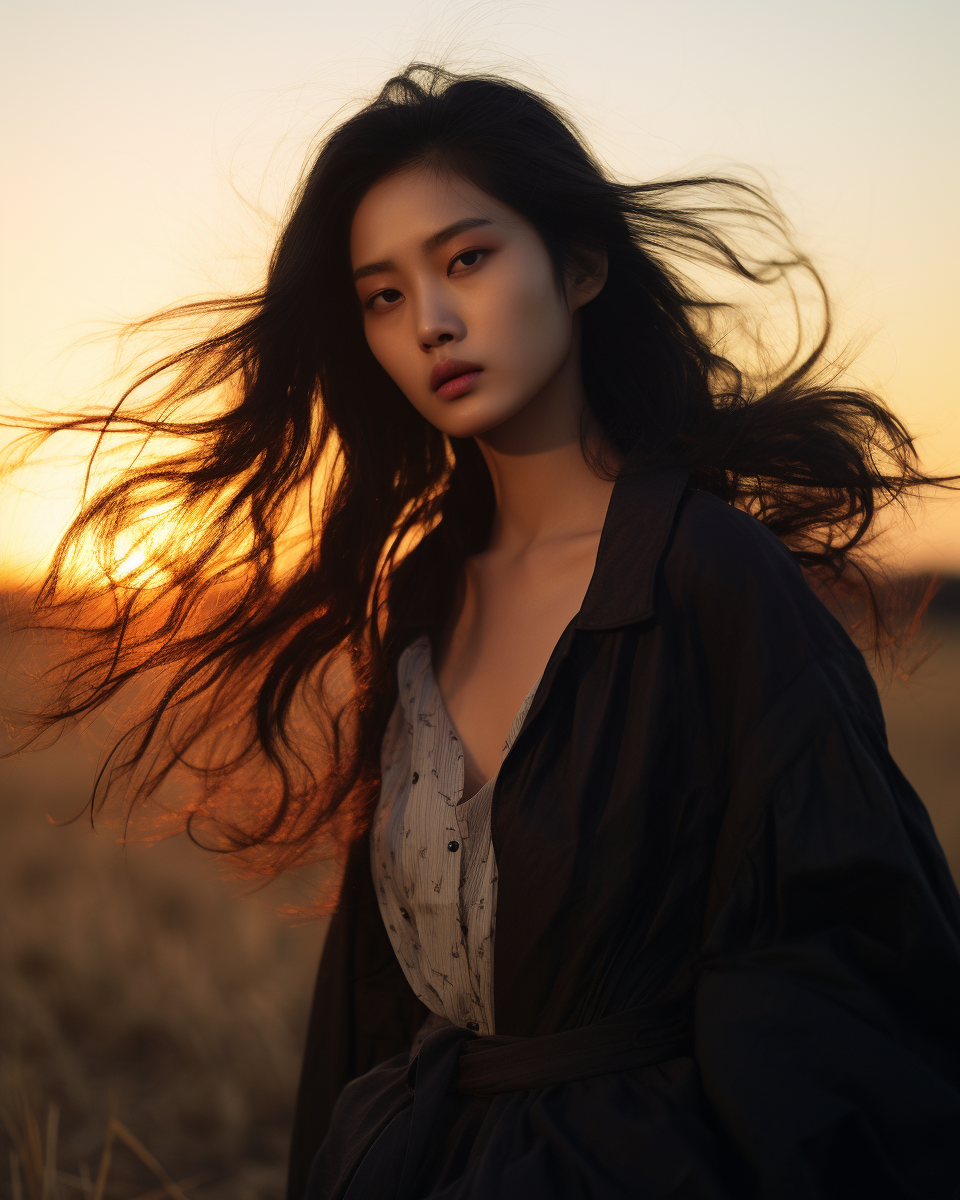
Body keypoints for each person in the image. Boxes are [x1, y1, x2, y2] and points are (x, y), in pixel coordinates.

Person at [12, 65, 960, 1197]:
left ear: (580, 265)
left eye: (466, 259)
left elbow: (854, 965)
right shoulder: (423, 598)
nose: (433, 323)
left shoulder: (714, 575)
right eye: (383, 295)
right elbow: (374, 990)